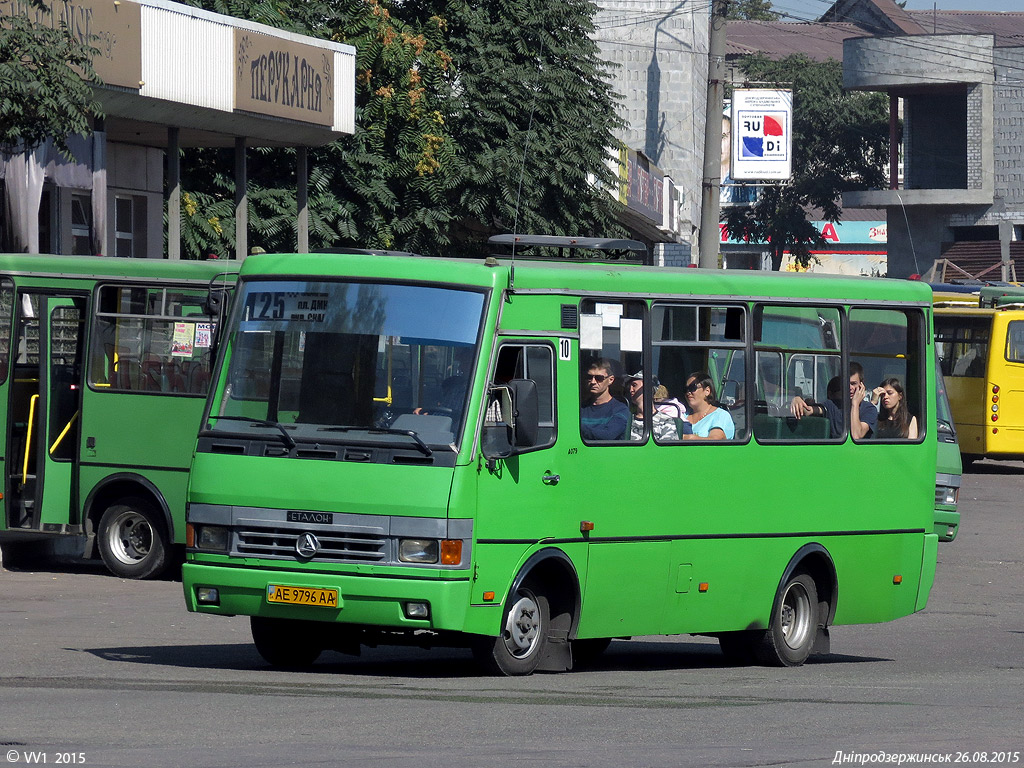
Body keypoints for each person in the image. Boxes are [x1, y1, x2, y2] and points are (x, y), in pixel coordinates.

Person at [789, 362, 878, 439]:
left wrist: (855, 404)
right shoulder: (832, 405)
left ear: (861, 384)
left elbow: (856, 435)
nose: (850, 388)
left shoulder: (869, 409)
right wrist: (797, 399)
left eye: (853, 384)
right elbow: (808, 411)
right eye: (846, 383)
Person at [624, 371, 683, 442]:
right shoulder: (627, 420)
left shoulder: (664, 421)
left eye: (634, 385)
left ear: (647, 387)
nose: (631, 390)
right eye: (629, 386)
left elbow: (668, 451)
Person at [580, 359, 630, 440]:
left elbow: (607, 435)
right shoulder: (581, 408)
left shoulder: (620, 409)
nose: (593, 382)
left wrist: (577, 428)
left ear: (611, 380)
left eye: (599, 378)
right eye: (589, 377)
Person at [682, 371, 735, 440]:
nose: (688, 392)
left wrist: (690, 438)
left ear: (707, 391)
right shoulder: (682, 414)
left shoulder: (720, 415)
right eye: (686, 389)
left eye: (692, 388)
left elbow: (716, 440)